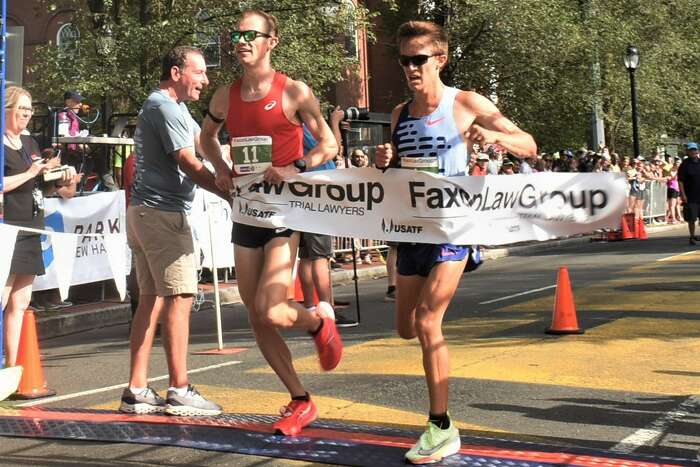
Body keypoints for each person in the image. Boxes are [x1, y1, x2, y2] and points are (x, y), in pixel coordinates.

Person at [374, 20, 537, 464]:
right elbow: (396, 173)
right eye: (404, 60)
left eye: (419, 60)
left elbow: (529, 144)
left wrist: (496, 136)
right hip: (413, 233)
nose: (410, 68)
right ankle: (440, 422)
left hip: (454, 230)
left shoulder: (464, 103)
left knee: (429, 323)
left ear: (440, 60)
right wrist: (383, 161)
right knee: (406, 328)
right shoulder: (399, 114)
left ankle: (441, 426)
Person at [200, 9, 343, 436]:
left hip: (284, 213)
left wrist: (296, 165)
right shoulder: (225, 96)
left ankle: (319, 322)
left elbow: (330, 144)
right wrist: (220, 168)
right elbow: (206, 138)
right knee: (257, 316)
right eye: (237, 34)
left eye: (251, 34)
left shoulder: (294, 91)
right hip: (245, 212)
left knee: (273, 308)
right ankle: (301, 399)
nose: (242, 41)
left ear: (271, 42)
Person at [121, 46, 232, 416]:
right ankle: (180, 389)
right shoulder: (165, 107)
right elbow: (186, 161)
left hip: (146, 214)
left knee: (150, 301)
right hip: (163, 215)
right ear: (176, 72)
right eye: (199, 72)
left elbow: (206, 145)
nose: (205, 79)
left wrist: (241, 163)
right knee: (180, 298)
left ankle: (137, 390)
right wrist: (227, 191)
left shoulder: (175, 109)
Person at [2, 86, 79, 369]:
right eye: (21, 108)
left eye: (29, 109)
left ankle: (12, 367)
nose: (26, 114)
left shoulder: (30, 143)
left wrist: (63, 178)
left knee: (21, 301)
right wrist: (32, 172)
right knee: (2, 295)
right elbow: (4, 185)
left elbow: (49, 189)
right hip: (7, 227)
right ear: (6, 109)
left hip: (33, 225)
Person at [678, 142, 700, 245]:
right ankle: (692, 236)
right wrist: (683, 195)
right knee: (691, 218)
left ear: (698, 151)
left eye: (695, 150)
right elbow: (680, 181)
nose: (693, 152)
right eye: (691, 150)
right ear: (688, 152)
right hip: (690, 195)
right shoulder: (684, 165)